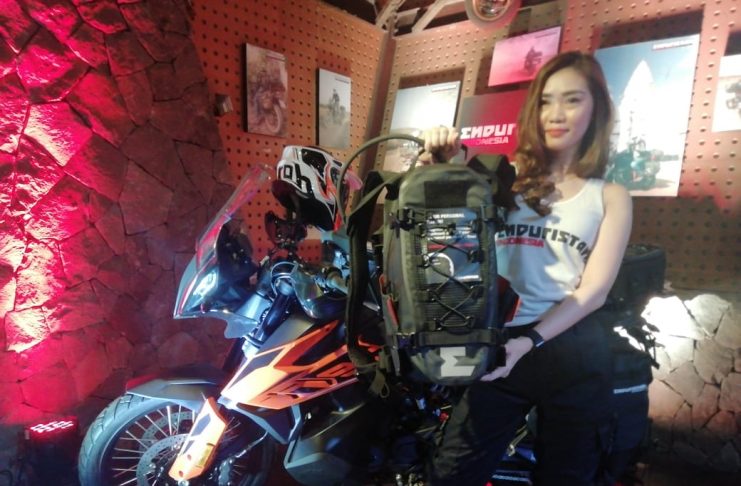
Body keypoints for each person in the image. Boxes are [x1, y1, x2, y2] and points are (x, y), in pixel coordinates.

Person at [420, 51, 633, 485]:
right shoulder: (503, 179)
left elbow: (593, 291)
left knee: (567, 477)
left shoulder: (609, 195)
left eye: (572, 100)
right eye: (546, 101)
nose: (556, 113)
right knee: (452, 473)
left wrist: (531, 340)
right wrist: (439, 164)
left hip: (570, 347)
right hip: (502, 343)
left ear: (595, 109)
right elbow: (447, 227)